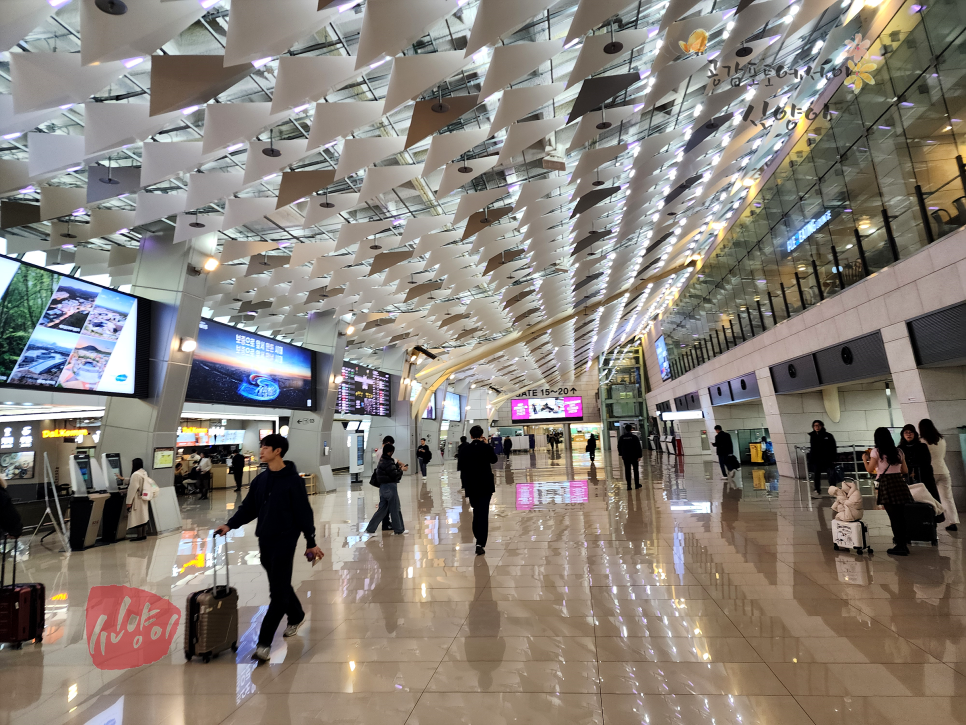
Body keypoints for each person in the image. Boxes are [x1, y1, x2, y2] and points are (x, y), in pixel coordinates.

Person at [214, 434, 323, 661]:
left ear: (278, 451)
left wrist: (310, 541)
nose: (261, 451)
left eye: (265, 447)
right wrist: (230, 525)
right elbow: (249, 508)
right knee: (280, 584)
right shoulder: (260, 480)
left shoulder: (293, 481)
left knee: (277, 592)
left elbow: (304, 513)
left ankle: (263, 644)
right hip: (265, 539)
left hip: (285, 539)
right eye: (261, 447)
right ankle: (297, 614)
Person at [863, 427, 913, 556]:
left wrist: (864, 459)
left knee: (894, 517)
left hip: (886, 484)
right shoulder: (899, 451)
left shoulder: (876, 452)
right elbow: (905, 471)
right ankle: (903, 542)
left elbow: (869, 469)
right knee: (902, 516)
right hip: (899, 484)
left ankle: (900, 545)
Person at [462, 425, 497, 555]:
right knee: (483, 512)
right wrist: (487, 445)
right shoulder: (486, 448)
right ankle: (480, 543)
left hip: (472, 486)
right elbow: (494, 460)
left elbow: (462, 467)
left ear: (471, 436)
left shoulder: (465, 449)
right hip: (485, 485)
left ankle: (477, 536)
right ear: (481, 434)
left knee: (476, 511)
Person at [920, 418, 959, 532]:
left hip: (929, 472)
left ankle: (931, 520)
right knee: (948, 498)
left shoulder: (922, 441)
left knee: (928, 498)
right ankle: (953, 522)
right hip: (943, 470)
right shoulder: (941, 439)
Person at [365, 443, 406, 536]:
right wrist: (401, 470)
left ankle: (370, 529)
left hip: (383, 488)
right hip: (390, 488)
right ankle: (399, 530)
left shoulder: (382, 460)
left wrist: (397, 469)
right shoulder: (388, 461)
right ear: (389, 452)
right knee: (395, 508)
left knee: (382, 509)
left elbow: (389, 472)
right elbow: (395, 475)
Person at [898, 424, 939, 497]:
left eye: (911, 432)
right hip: (907, 477)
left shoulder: (922, 446)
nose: (908, 434)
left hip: (923, 476)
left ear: (915, 434)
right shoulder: (900, 448)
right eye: (906, 432)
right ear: (903, 434)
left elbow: (927, 461)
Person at [807, 420, 837, 498]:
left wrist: (834, 458)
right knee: (816, 475)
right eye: (815, 426)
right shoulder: (813, 436)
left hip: (828, 458)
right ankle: (817, 490)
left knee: (830, 474)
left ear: (822, 426)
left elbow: (833, 447)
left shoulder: (828, 436)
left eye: (818, 425)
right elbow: (813, 448)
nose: (817, 427)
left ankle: (833, 490)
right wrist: (811, 459)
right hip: (817, 459)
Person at [125, 458, 151, 541]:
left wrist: (128, 502)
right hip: (143, 497)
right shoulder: (143, 472)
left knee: (137, 517)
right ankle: (143, 534)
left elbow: (132, 489)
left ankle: (139, 536)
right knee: (143, 516)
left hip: (136, 499)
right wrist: (123, 479)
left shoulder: (135, 474)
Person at [617, 425, 643, 490]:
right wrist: (639, 456)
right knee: (635, 470)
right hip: (634, 456)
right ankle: (637, 484)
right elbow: (638, 447)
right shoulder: (634, 437)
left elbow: (619, 446)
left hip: (626, 456)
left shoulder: (622, 437)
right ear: (631, 429)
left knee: (627, 470)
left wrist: (621, 454)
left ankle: (629, 486)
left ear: (625, 429)